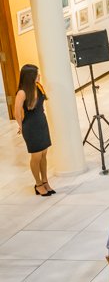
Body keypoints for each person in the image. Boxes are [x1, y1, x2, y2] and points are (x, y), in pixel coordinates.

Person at [13, 65, 53, 196]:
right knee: (36, 156)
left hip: (42, 122)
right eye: (36, 74)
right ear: (30, 76)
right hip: (31, 126)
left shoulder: (38, 87)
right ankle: (38, 184)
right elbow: (16, 112)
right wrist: (21, 126)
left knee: (44, 154)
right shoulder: (22, 92)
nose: (39, 76)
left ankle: (45, 181)